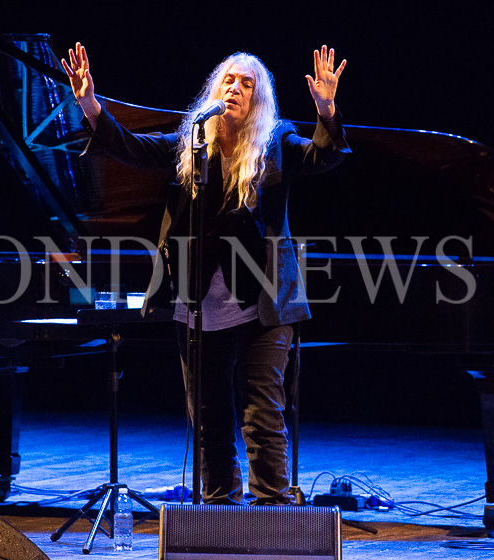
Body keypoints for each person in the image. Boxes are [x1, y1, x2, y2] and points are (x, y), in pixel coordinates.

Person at [62, 43, 349, 505]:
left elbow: (324, 156)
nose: (235, 88)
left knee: (262, 416)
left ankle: (273, 515)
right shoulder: (192, 143)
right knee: (209, 418)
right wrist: (90, 105)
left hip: (263, 304)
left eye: (246, 84)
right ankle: (219, 511)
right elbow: (131, 148)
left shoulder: (276, 143)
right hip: (197, 306)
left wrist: (326, 109)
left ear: (258, 99)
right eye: (228, 81)